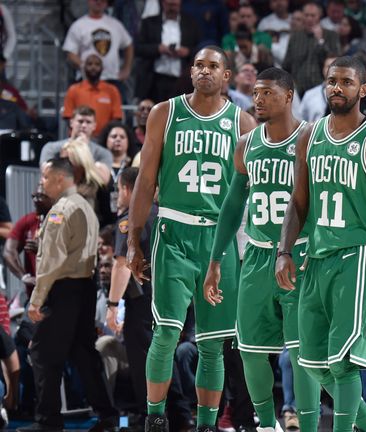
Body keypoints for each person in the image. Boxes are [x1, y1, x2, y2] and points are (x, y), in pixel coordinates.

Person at [126, 45, 257, 432]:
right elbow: (145, 181)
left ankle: (205, 424)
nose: (203, 71)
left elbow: (253, 193)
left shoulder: (244, 123)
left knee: (213, 343)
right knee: (166, 332)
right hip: (174, 230)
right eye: (198, 65)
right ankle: (154, 417)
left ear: (226, 76)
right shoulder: (164, 114)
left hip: (221, 239)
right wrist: (133, 241)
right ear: (190, 71)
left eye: (212, 66)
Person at [275, 55, 366, 432]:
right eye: (332, 81)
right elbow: (298, 202)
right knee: (312, 361)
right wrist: (284, 250)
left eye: (346, 82)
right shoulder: (308, 135)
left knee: (343, 363)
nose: (337, 88)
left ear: (362, 90)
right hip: (317, 255)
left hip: (358, 256)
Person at [202, 67, 321, 432]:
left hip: (300, 253)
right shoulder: (246, 144)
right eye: (254, 93)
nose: (257, 100)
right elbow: (231, 207)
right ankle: (268, 426)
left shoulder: (311, 138)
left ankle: (309, 425)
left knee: (303, 355)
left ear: (288, 96)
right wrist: (216, 259)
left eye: (266, 93)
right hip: (255, 255)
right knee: (251, 350)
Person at [19, 157, 119, 432]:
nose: (42, 183)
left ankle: (48, 421)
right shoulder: (86, 207)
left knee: (43, 355)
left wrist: (37, 300)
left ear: (60, 179)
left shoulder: (61, 210)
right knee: (84, 355)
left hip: (63, 289)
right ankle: (108, 416)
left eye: (45, 178)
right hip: (84, 288)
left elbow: (51, 260)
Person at [105, 167, 155, 426]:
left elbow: (122, 263)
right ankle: (176, 413)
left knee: (143, 359)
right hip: (167, 296)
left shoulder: (129, 219)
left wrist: (112, 305)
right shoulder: (160, 212)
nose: (117, 195)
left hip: (142, 300)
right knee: (162, 356)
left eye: (118, 189)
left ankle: (151, 416)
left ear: (126, 189)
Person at [62, 54, 123, 136]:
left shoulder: (112, 90)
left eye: (97, 64)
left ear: (102, 68)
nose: (93, 67)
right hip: (78, 138)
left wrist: (105, 136)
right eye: (90, 64)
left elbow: (117, 118)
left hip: (103, 139)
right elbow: (68, 117)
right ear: (84, 67)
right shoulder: (73, 90)